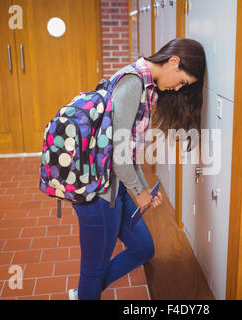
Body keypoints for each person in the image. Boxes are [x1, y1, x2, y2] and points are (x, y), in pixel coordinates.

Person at [69, 38, 206, 300]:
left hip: (115, 184)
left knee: (143, 248)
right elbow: (119, 154)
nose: (177, 89)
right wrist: (139, 192)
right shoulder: (133, 83)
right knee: (93, 269)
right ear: (173, 61)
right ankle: (86, 292)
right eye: (182, 81)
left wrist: (143, 189)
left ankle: (85, 293)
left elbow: (129, 151)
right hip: (98, 192)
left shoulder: (148, 85)